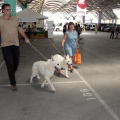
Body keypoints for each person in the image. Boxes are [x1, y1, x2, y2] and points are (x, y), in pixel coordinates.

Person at [0, 4, 30, 91]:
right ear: (3, 10)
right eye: (7, 10)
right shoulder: (0, 20)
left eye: (10, 10)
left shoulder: (15, 19)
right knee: (10, 64)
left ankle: (11, 74)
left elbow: (20, 29)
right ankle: (13, 83)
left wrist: (26, 38)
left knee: (16, 63)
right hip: (5, 45)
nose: (9, 11)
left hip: (15, 44)